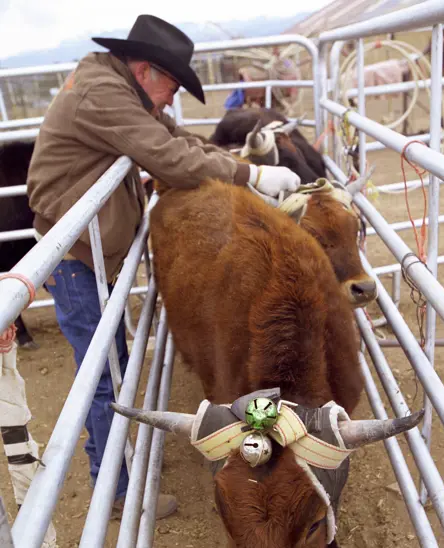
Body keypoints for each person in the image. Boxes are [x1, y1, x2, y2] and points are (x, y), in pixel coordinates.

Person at [27, 15, 301, 520]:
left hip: (92, 249)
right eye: (172, 85)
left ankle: (120, 474)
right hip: (74, 254)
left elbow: (178, 139)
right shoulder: (103, 95)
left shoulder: (121, 89)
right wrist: (252, 174)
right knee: (102, 374)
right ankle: (114, 490)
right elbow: (166, 156)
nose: (172, 98)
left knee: (115, 362)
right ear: (146, 69)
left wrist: (237, 162)